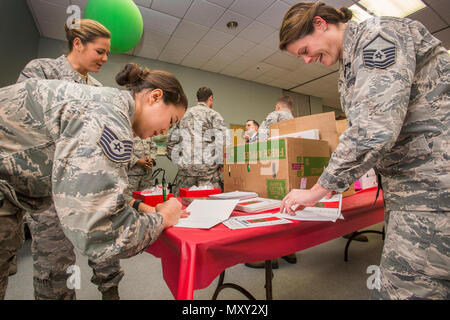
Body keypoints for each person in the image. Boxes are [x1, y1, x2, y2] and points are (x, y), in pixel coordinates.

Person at [279, 2, 449, 299]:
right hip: (417, 189)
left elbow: (373, 128)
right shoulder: (350, 62)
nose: (306, 61)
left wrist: (318, 190)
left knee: (402, 291)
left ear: (320, 23)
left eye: (304, 50)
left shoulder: (376, 36)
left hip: (431, 188)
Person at [0, 62, 189, 300]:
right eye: (170, 121)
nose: (164, 132)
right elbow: (100, 230)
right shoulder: (107, 116)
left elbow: (99, 188)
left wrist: (142, 208)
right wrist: (162, 219)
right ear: (155, 97)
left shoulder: (107, 105)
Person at [15, 19, 125, 300]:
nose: (105, 58)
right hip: (49, 192)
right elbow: (21, 124)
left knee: (104, 250)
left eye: (107, 52)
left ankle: (110, 291)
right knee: (55, 267)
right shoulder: (42, 71)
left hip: (88, 188)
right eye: (100, 51)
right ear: (78, 43)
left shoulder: (99, 89)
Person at [166, 87, 227, 196]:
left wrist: (180, 162)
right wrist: (221, 164)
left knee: (183, 208)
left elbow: (170, 143)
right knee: (209, 209)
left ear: (197, 99)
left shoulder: (183, 115)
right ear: (211, 98)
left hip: (185, 173)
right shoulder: (213, 115)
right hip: (208, 174)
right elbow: (223, 141)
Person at [126, 136, 158, 202]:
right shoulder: (127, 131)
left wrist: (151, 160)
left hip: (147, 176)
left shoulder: (147, 131)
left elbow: (154, 147)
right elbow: (123, 150)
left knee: (146, 202)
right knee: (129, 202)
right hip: (131, 176)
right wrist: (137, 161)